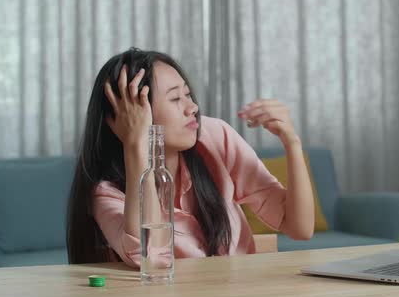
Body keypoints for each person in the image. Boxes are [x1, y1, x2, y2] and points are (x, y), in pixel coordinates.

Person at [66, 48, 314, 267]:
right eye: (175, 98)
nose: (192, 107)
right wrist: (136, 144)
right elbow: (151, 259)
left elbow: (299, 227)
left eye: (188, 94)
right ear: (130, 117)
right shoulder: (106, 193)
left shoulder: (215, 137)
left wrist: (291, 142)